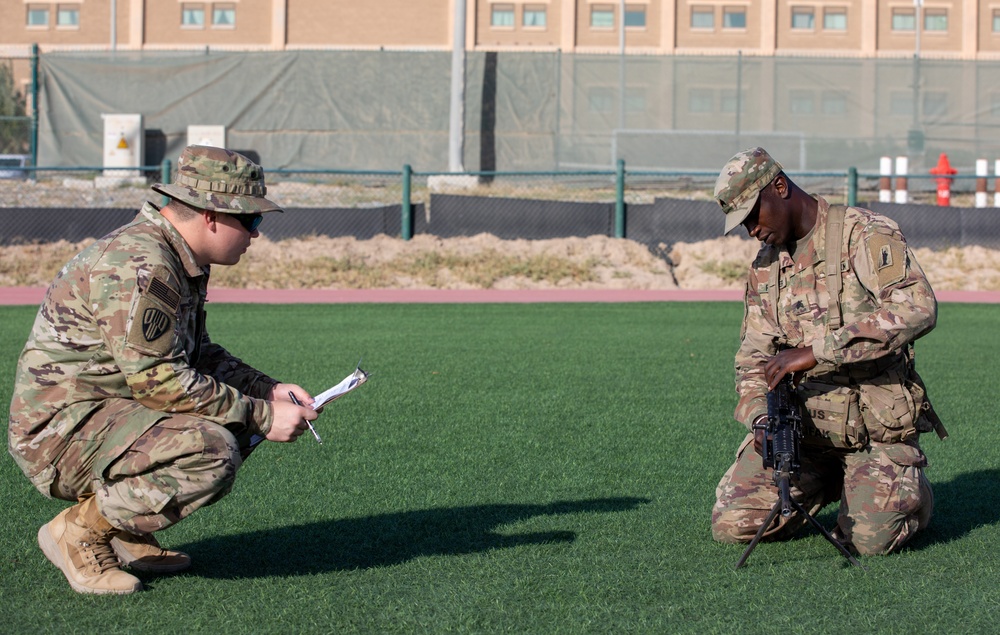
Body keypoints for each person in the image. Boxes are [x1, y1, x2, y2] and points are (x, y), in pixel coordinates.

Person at [8, 145, 319, 595]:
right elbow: (163, 381)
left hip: (104, 414)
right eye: (251, 220)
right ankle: (79, 530)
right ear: (211, 215)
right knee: (212, 448)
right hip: (59, 433)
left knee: (232, 422)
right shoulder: (142, 263)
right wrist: (263, 415)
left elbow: (196, 354)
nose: (256, 234)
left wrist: (267, 390)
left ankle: (125, 531)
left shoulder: (175, 254)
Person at [710, 147, 947, 556]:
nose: (751, 230)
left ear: (779, 187)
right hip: (804, 437)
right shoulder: (765, 268)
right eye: (741, 223)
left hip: (872, 432)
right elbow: (751, 359)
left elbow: (917, 307)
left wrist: (818, 352)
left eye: (752, 215)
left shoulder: (864, 234)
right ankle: (837, 481)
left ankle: (903, 485)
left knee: (869, 541)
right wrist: (761, 419)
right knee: (733, 523)